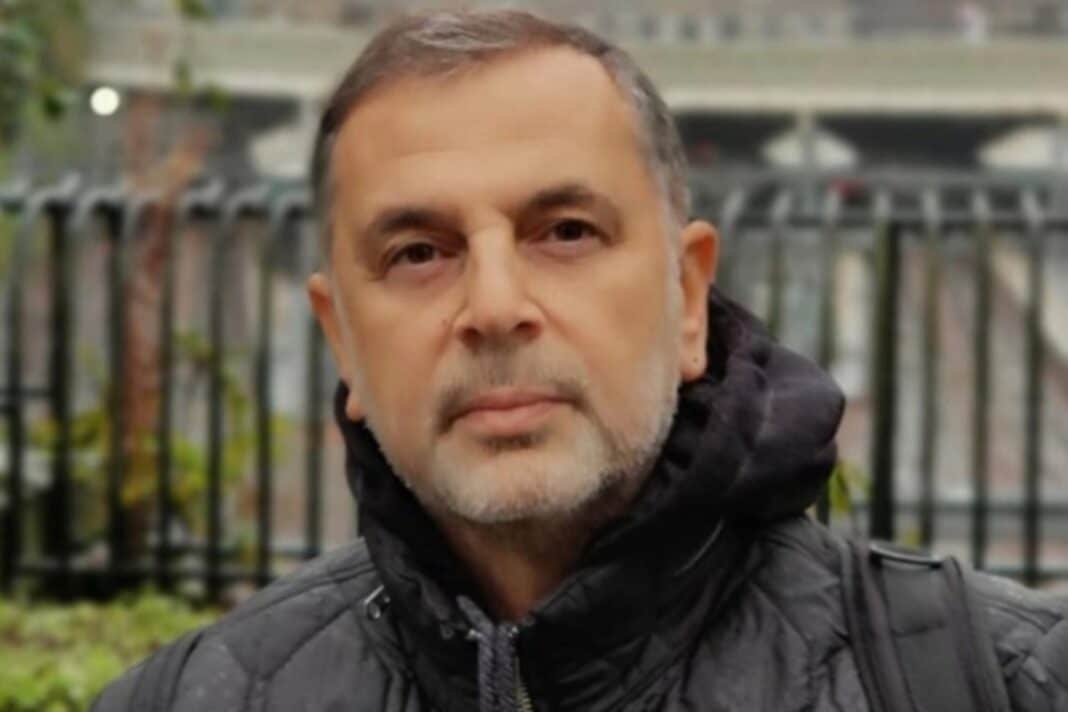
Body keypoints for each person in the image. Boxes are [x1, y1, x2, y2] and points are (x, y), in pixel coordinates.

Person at [94, 9, 1067, 711]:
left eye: (565, 231)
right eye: (419, 252)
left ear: (689, 299)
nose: (494, 307)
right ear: (340, 336)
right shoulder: (187, 697)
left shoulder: (1001, 679)